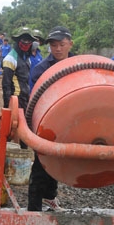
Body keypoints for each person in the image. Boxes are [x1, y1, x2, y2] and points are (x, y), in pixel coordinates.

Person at [27, 26, 74, 215]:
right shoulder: (41, 70)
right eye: (54, 45)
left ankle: (49, 197)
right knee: (41, 164)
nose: (58, 49)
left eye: (62, 44)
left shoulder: (78, 64)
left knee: (57, 163)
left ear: (70, 44)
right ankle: (33, 212)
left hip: (69, 121)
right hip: (46, 124)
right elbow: (35, 100)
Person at [2, 27, 35, 111]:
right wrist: (7, 106)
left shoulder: (27, 58)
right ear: (18, 40)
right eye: (24, 40)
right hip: (16, 98)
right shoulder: (10, 58)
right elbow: (6, 84)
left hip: (25, 96)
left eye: (29, 40)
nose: (26, 43)